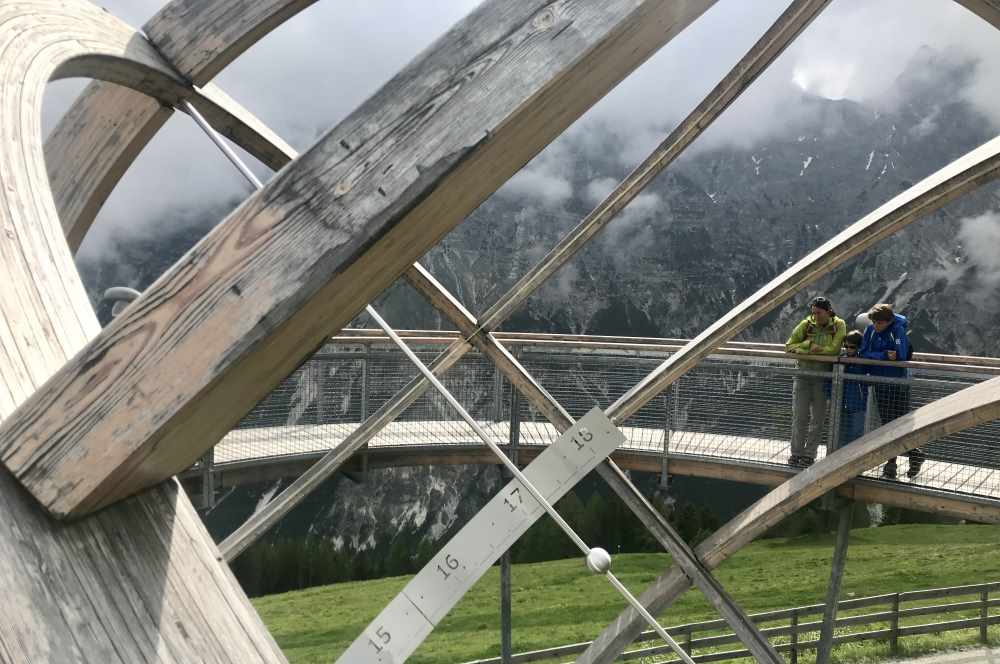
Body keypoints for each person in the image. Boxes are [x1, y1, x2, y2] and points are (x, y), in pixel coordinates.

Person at [859, 303, 925, 479]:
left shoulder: (898, 331)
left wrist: (880, 355)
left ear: (888, 321)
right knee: (888, 423)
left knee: (900, 423)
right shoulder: (870, 330)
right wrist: (883, 356)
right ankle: (907, 457)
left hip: (898, 383)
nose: (876, 326)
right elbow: (863, 353)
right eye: (874, 322)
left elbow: (900, 355)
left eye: (880, 323)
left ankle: (896, 462)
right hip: (881, 382)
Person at [785, 296, 847, 467]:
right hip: (802, 376)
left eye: (818, 313)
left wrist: (812, 350)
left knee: (817, 419)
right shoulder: (806, 324)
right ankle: (796, 453)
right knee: (800, 417)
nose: (815, 317)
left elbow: (834, 349)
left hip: (823, 378)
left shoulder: (838, 325)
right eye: (813, 313)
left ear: (828, 311)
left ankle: (809, 455)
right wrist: (808, 346)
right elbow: (789, 346)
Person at [838, 330, 868, 448]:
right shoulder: (840, 360)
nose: (847, 349)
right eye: (845, 346)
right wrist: (830, 396)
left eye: (851, 347)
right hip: (841, 403)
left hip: (858, 404)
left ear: (859, 347)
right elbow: (829, 381)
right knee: (840, 434)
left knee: (855, 434)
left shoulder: (863, 361)